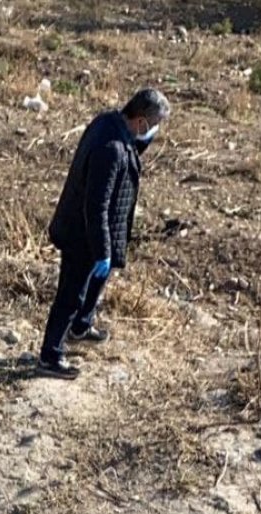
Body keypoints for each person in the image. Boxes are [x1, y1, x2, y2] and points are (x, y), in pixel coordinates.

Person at [36, 88, 171, 379]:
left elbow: (131, 154)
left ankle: (80, 327)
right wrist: (103, 250)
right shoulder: (110, 149)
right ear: (142, 122)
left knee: (93, 285)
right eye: (155, 125)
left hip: (97, 232)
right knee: (71, 294)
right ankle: (51, 355)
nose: (155, 132)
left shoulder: (111, 125)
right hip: (83, 235)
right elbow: (95, 205)